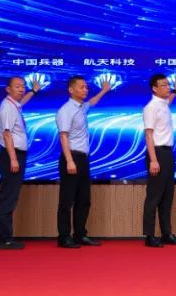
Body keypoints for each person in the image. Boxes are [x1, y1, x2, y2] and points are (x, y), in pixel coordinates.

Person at [55, 75, 112, 248]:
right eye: (81, 87)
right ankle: (64, 237)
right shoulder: (66, 110)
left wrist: (103, 91)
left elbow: (91, 103)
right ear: (71, 90)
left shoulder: (81, 108)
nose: (85, 90)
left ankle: (80, 234)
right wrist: (69, 160)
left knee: (84, 199)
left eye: (86, 87)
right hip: (71, 157)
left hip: (83, 158)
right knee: (67, 200)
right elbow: (63, 136)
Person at [0, 75, 40, 250]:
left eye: (23, 86)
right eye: (18, 86)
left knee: (10, 196)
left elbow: (22, 102)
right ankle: (3, 238)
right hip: (11, 155)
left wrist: (33, 91)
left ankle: (4, 236)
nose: (21, 89)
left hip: (15, 155)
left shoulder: (14, 105)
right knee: (8, 197)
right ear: (8, 89)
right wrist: (13, 159)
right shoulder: (7, 107)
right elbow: (7, 134)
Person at [142, 73, 176, 247]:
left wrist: (175, 91)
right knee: (154, 196)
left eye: (168, 84)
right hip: (157, 153)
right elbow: (148, 135)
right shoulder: (151, 108)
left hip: (167, 153)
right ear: (154, 88)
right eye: (164, 85)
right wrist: (153, 160)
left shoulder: (163, 104)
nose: (168, 87)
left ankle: (167, 233)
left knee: (167, 196)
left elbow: (168, 101)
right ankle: (149, 235)